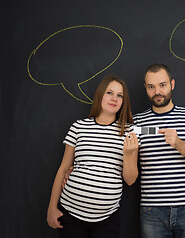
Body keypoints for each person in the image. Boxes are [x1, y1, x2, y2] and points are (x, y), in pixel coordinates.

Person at [47, 75, 139, 238]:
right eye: (110, 93)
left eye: (120, 95)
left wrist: (129, 154)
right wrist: (52, 207)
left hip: (107, 220)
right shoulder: (79, 127)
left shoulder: (129, 132)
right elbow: (63, 168)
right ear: (100, 95)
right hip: (70, 214)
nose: (114, 99)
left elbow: (130, 180)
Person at [134, 64, 185, 238]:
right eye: (151, 86)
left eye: (162, 85)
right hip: (152, 211)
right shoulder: (137, 123)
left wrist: (179, 143)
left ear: (172, 84)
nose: (157, 91)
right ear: (146, 88)